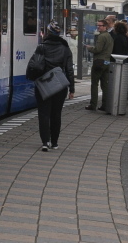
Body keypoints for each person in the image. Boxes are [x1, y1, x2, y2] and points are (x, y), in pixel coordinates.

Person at [34, 20, 76, 151]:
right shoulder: (65, 49)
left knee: (44, 113)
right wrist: (72, 89)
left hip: (44, 84)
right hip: (60, 85)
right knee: (56, 114)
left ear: (47, 33)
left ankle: (45, 142)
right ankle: (55, 142)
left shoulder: (41, 47)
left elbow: (35, 65)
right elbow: (69, 70)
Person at [85, 18, 113, 111]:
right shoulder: (109, 36)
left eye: (100, 25)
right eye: (97, 25)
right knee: (105, 84)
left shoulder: (101, 36)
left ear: (105, 27)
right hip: (107, 62)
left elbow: (98, 49)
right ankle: (105, 105)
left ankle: (93, 105)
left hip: (99, 61)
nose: (98, 27)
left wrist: (89, 48)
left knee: (94, 84)